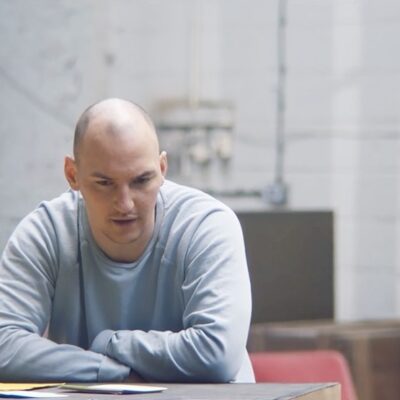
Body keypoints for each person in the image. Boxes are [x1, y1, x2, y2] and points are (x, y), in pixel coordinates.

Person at [0, 98, 254, 383]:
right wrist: (109, 370)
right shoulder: (47, 231)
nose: (125, 204)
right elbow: (3, 343)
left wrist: (111, 343)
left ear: (162, 169)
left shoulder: (206, 226)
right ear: (73, 175)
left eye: (141, 181)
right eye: (104, 183)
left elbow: (217, 354)